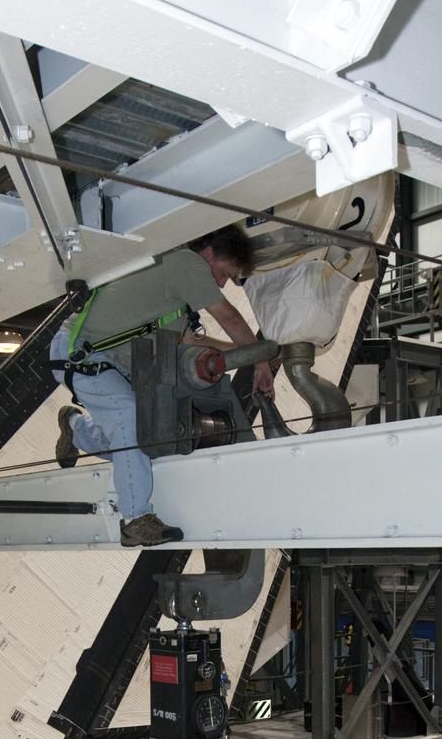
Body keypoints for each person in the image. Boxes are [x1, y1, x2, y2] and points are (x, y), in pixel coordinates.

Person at [49, 224, 275, 548]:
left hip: (110, 363)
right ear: (208, 253)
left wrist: (246, 356)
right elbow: (231, 319)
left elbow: (189, 342)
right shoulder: (185, 262)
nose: (221, 283)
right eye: (224, 273)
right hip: (83, 353)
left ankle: (75, 428)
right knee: (128, 417)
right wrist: (261, 359)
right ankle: (135, 520)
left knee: (141, 438)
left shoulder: (175, 299)